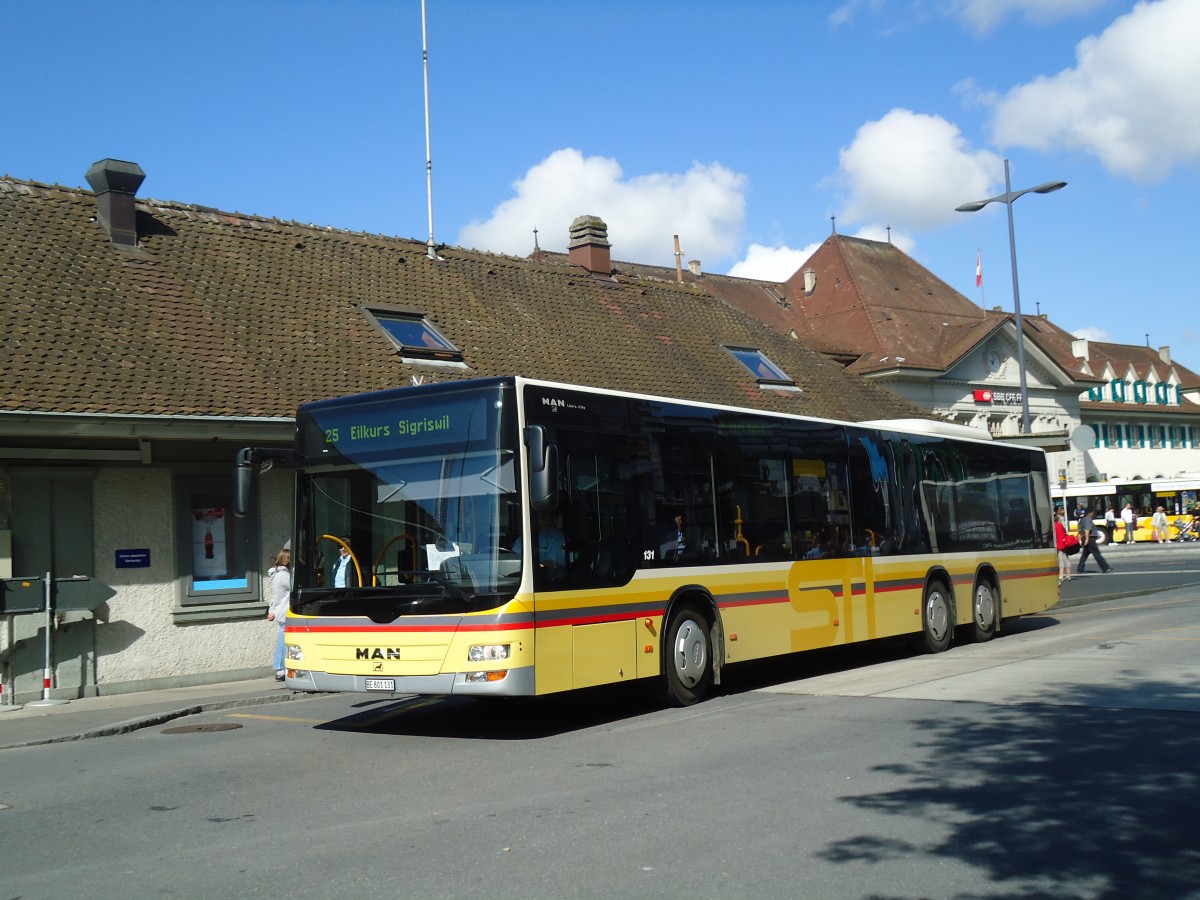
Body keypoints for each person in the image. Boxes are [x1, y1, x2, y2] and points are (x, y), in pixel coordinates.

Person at [266, 547, 291, 681]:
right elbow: (294, 588)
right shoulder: (284, 576)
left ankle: (281, 668)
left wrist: (272, 610)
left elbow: (275, 596)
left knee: (283, 639)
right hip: (285, 612)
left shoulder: (277, 574)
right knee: (283, 640)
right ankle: (281, 669)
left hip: (280, 612)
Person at [1076, 508, 1111, 574]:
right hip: (1090, 539)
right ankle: (1105, 568)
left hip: (1086, 538)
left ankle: (1079, 569)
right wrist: (1087, 539)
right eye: (1092, 512)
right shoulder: (1088, 519)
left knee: (1084, 555)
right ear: (1090, 512)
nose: (1093, 513)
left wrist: (1081, 540)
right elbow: (1087, 529)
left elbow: (1080, 531)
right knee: (1097, 554)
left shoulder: (1082, 519)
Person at [1054, 510, 1072, 584]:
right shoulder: (1061, 525)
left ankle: (1061, 575)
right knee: (1066, 558)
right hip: (1064, 543)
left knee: (1060, 559)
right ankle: (1068, 575)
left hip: (1059, 544)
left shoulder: (1055, 526)